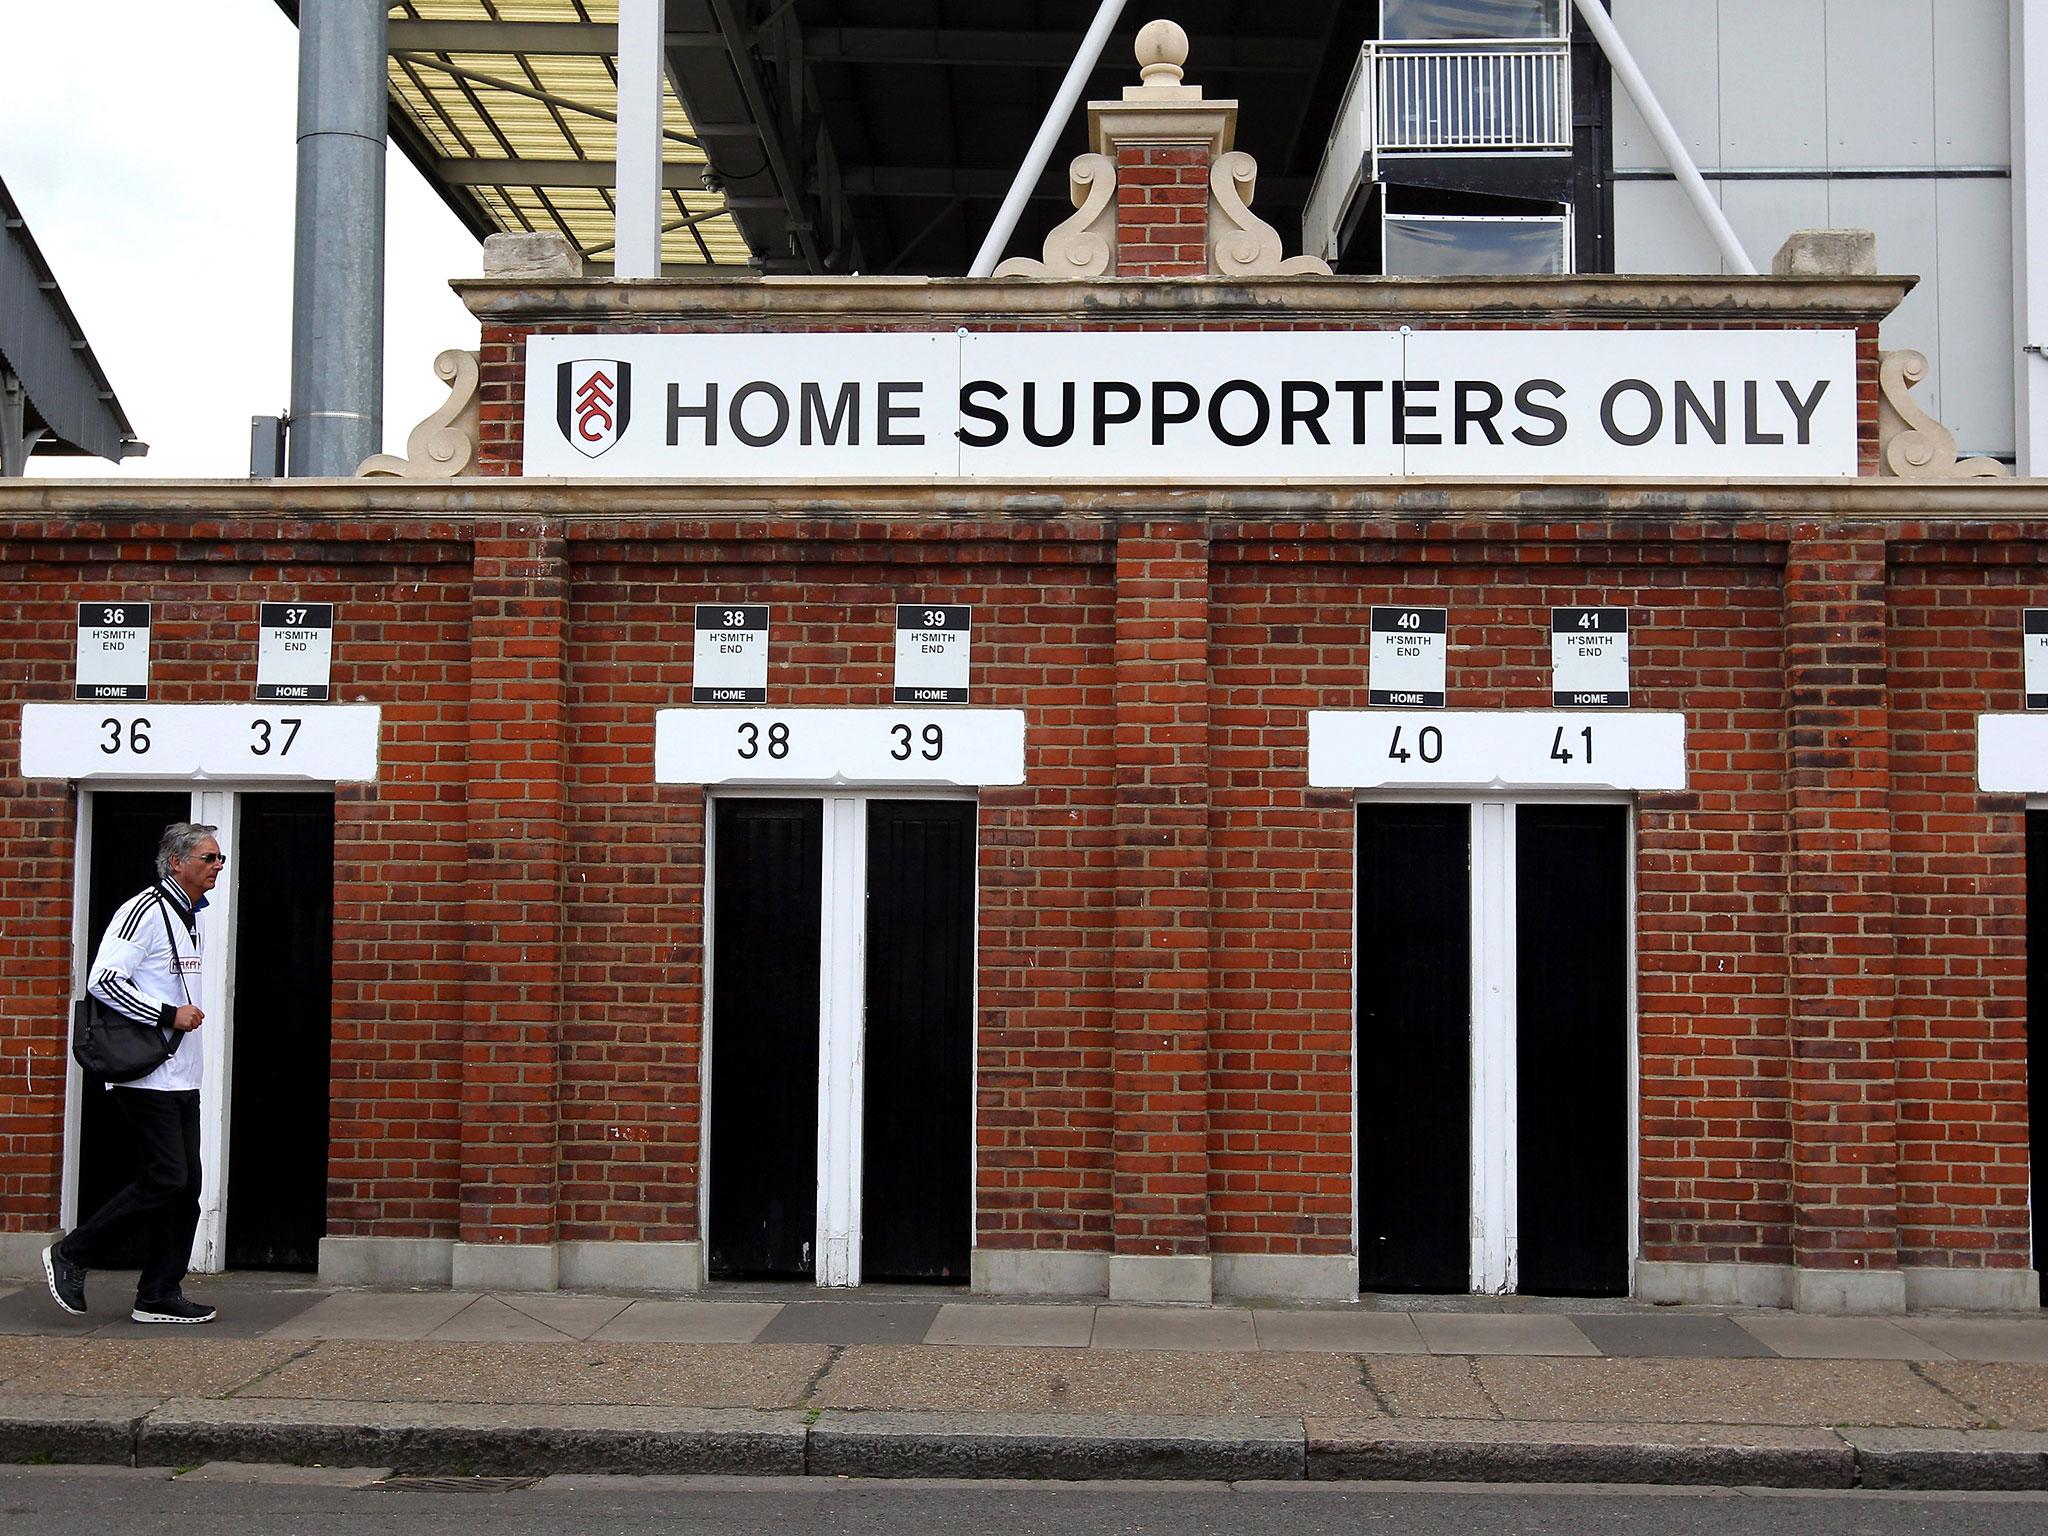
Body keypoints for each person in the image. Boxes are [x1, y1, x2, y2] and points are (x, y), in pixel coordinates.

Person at [43, 822, 222, 1324]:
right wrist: (168, 1015)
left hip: (183, 1074)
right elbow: (104, 982)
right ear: (176, 863)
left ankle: (158, 1293)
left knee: (186, 1188)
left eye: (219, 859)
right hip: (146, 1075)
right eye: (208, 858)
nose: (217, 866)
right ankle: (74, 1253)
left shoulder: (193, 916)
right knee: (166, 1177)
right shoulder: (143, 911)